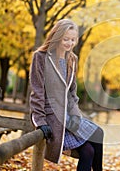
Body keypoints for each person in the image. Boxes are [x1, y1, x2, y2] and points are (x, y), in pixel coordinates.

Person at [29, 19, 103, 171]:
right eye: (66, 39)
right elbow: (37, 93)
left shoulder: (72, 60)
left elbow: (72, 93)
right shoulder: (41, 57)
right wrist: (40, 122)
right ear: (57, 36)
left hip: (69, 116)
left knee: (89, 150)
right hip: (52, 117)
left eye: (73, 39)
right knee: (96, 136)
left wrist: (75, 115)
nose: (70, 43)